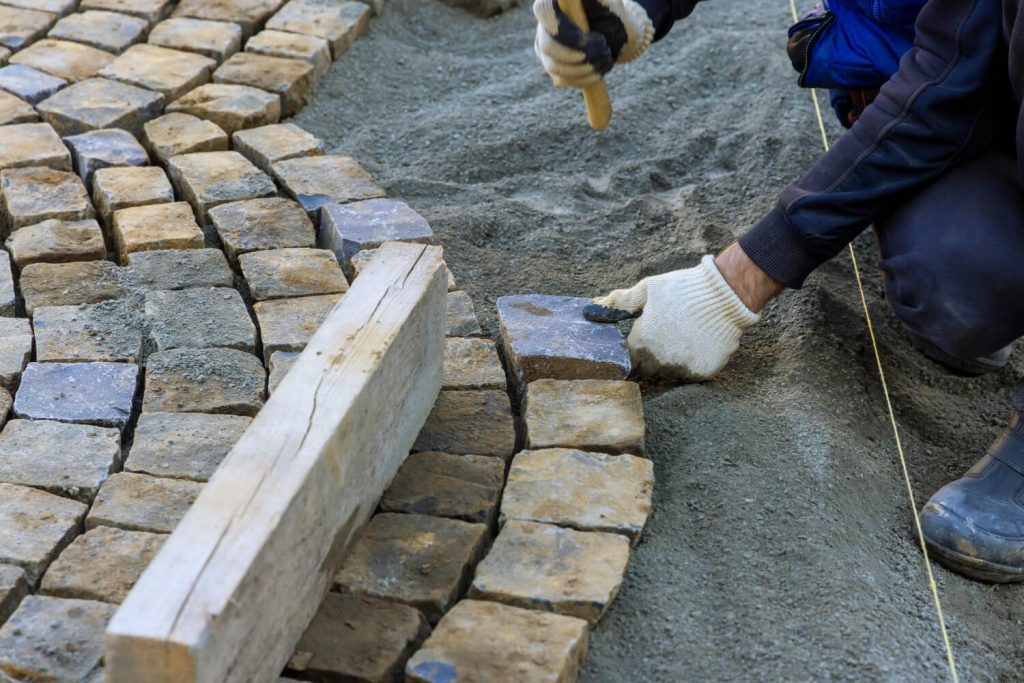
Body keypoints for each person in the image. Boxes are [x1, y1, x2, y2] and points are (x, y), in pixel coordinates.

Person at [533, 0, 1024, 583]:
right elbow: (951, 64)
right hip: (974, 78)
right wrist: (633, 7)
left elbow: (944, 87)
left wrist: (736, 281)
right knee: (957, 287)